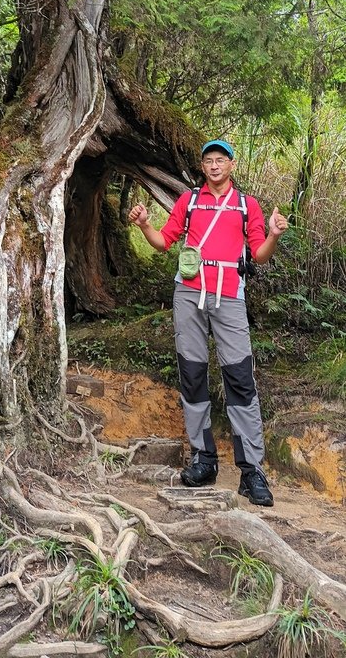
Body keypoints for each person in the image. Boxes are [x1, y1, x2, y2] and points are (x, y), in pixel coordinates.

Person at [129, 138, 288, 507]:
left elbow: (259, 254)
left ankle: (251, 472)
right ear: (203, 167)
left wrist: (275, 234)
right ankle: (204, 459)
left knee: (239, 377)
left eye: (221, 160)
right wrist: (142, 225)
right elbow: (163, 242)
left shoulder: (247, 206)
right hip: (188, 293)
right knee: (193, 373)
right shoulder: (189, 201)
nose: (215, 165)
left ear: (232, 165)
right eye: (208, 160)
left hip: (229, 295)